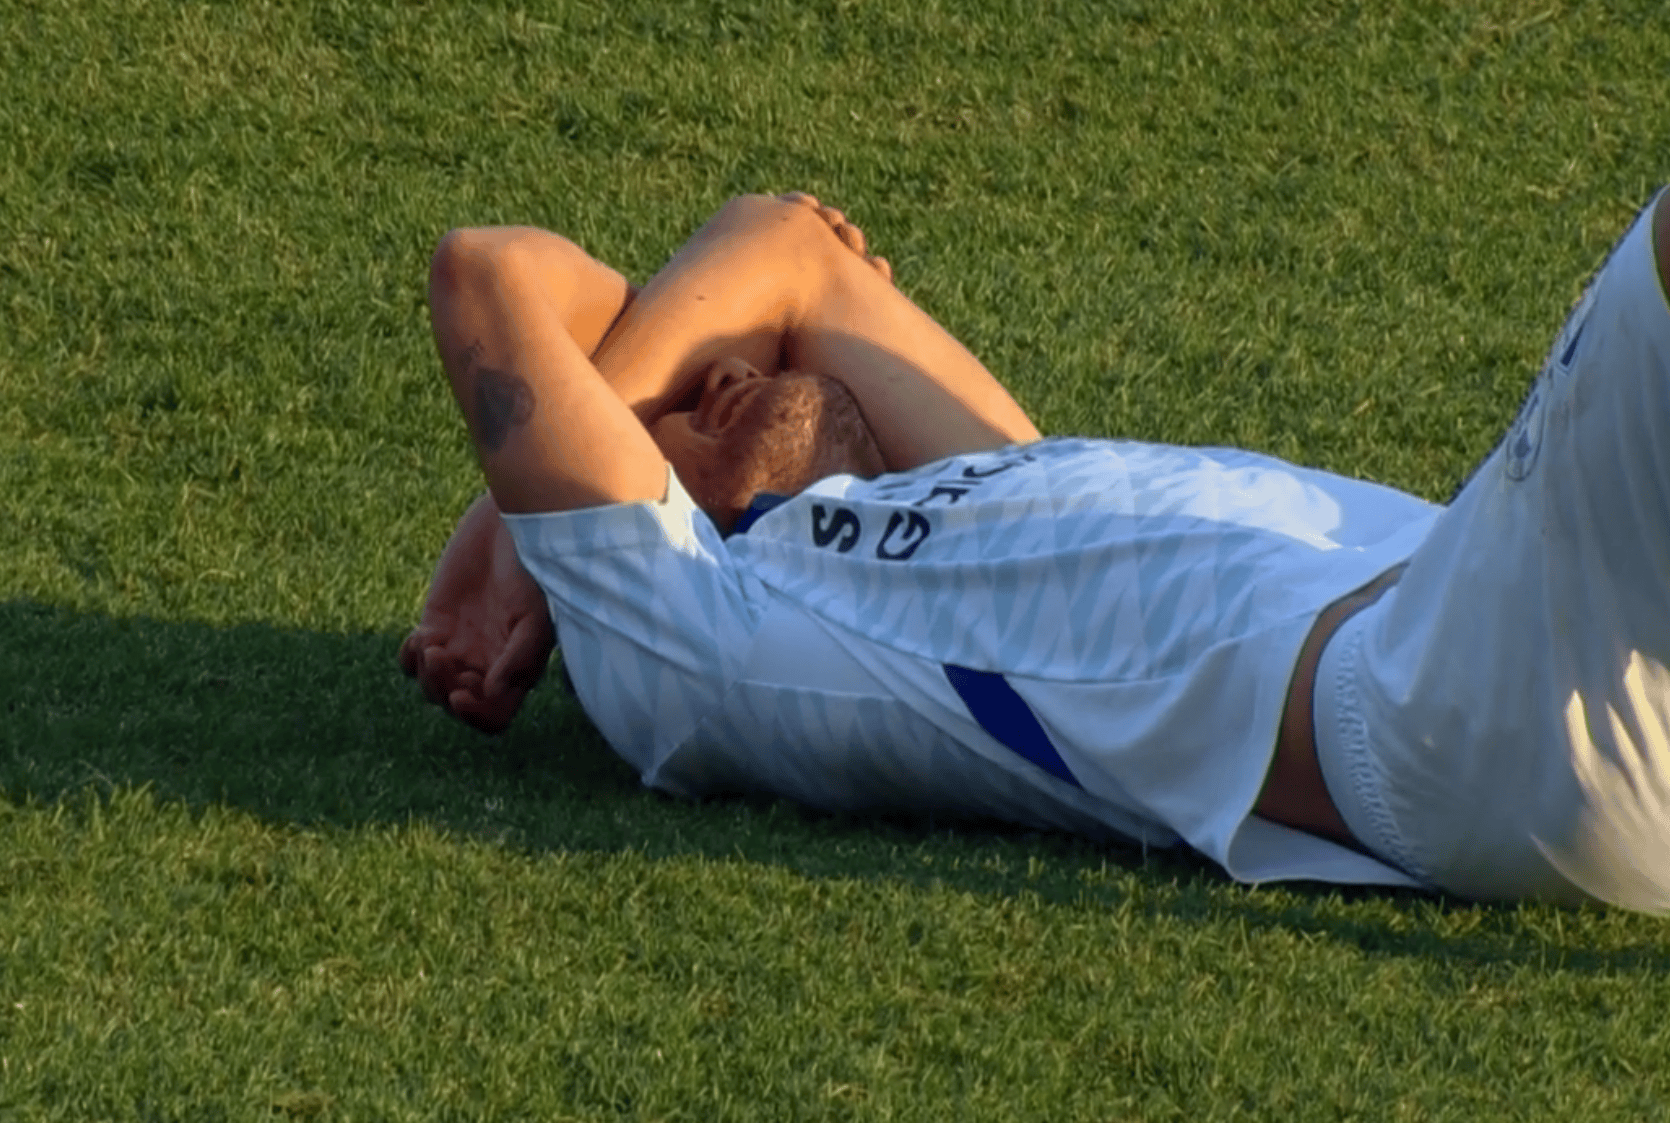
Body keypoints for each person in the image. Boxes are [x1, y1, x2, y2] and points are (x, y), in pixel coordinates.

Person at [399, 191, 1669, 911]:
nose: (719, 370)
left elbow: (786, 254)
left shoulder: (1002, 482)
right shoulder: (696, 640)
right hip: (1451, 712)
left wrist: (540, 506)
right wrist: (531, 539)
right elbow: (488, 278)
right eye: (664, 414)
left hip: (1534, 636)